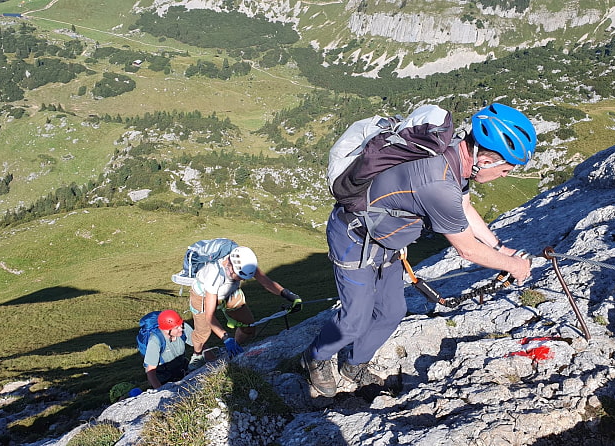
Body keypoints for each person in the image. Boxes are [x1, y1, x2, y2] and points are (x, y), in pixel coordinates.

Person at [302, 103, 537, 397]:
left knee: (392, 310)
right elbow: (467, 250)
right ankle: (315, 357)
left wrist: (500, 247)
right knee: (354, 319)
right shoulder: (437, 184)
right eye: (506, 169)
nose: (504, 176)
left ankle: (354, 364)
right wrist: (513, 266)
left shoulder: (453, 155)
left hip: (385, 243)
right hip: (353, 239)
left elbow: (464, 205)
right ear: (487, 160)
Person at [188, 245, 302, 370]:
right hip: (203, 295)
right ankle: (197, 354)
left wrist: (288, 294)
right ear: (230, 268)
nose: (243, 280)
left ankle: (234, 350)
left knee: (249, 327)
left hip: (229, 291)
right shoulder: (214, 274)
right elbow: (210, 316)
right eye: (240, 277)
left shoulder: (245, 262)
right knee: (203, 332)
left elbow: (265, 281)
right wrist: (225, 337)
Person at [143, 309, 194, 389]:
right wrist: (160, 390)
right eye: (177, 327)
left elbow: (199, 343)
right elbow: (150, 372)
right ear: (166, 330)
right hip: (164, 379)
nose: (181, 328)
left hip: (182, 369)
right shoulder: (155, 341)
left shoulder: (182, 327)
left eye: (181, 324)